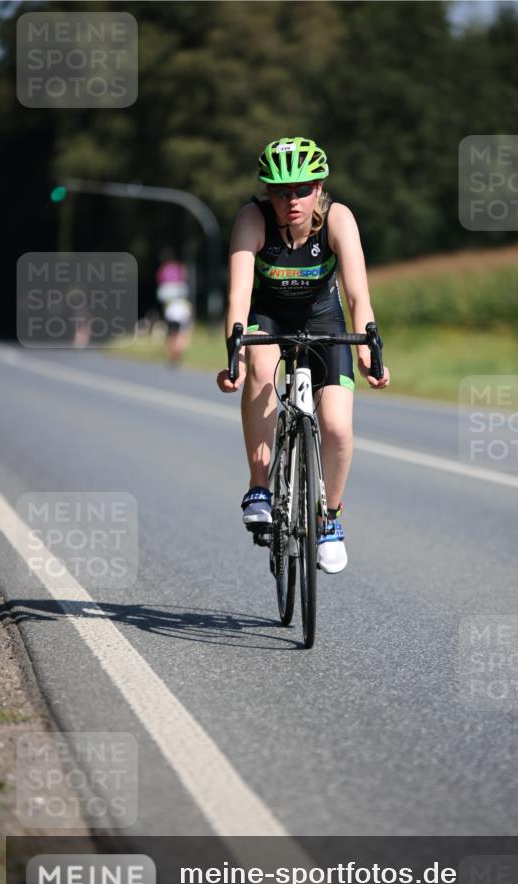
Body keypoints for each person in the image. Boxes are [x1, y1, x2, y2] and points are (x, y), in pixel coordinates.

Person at [217, 136, 389, 574]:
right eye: (280, 191)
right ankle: (260, 487)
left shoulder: (338, 219)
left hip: (325, 320)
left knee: (335, 425)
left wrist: (369, 349)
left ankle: (329, 518)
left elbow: (357, 295)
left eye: (301, 190)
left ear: (319, 187)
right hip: (269, 317)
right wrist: (233, 354)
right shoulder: (251, 220)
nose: (291, 201)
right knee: (259, 363)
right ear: (267, 192)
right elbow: (237, 297)